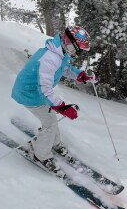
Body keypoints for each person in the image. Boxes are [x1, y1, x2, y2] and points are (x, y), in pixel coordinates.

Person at [11, 26, 97, 171]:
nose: (77, 53)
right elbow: (44, 88)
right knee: (49, 123)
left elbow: (63, 68)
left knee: (50, 119)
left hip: (36, 92)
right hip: (28, 93)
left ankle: (54, 143)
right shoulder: (49, 58)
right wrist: (63, 107)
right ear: (69, 43)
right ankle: (40, 155)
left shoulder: (59, 52)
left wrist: (80, 75)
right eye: (77, 49)